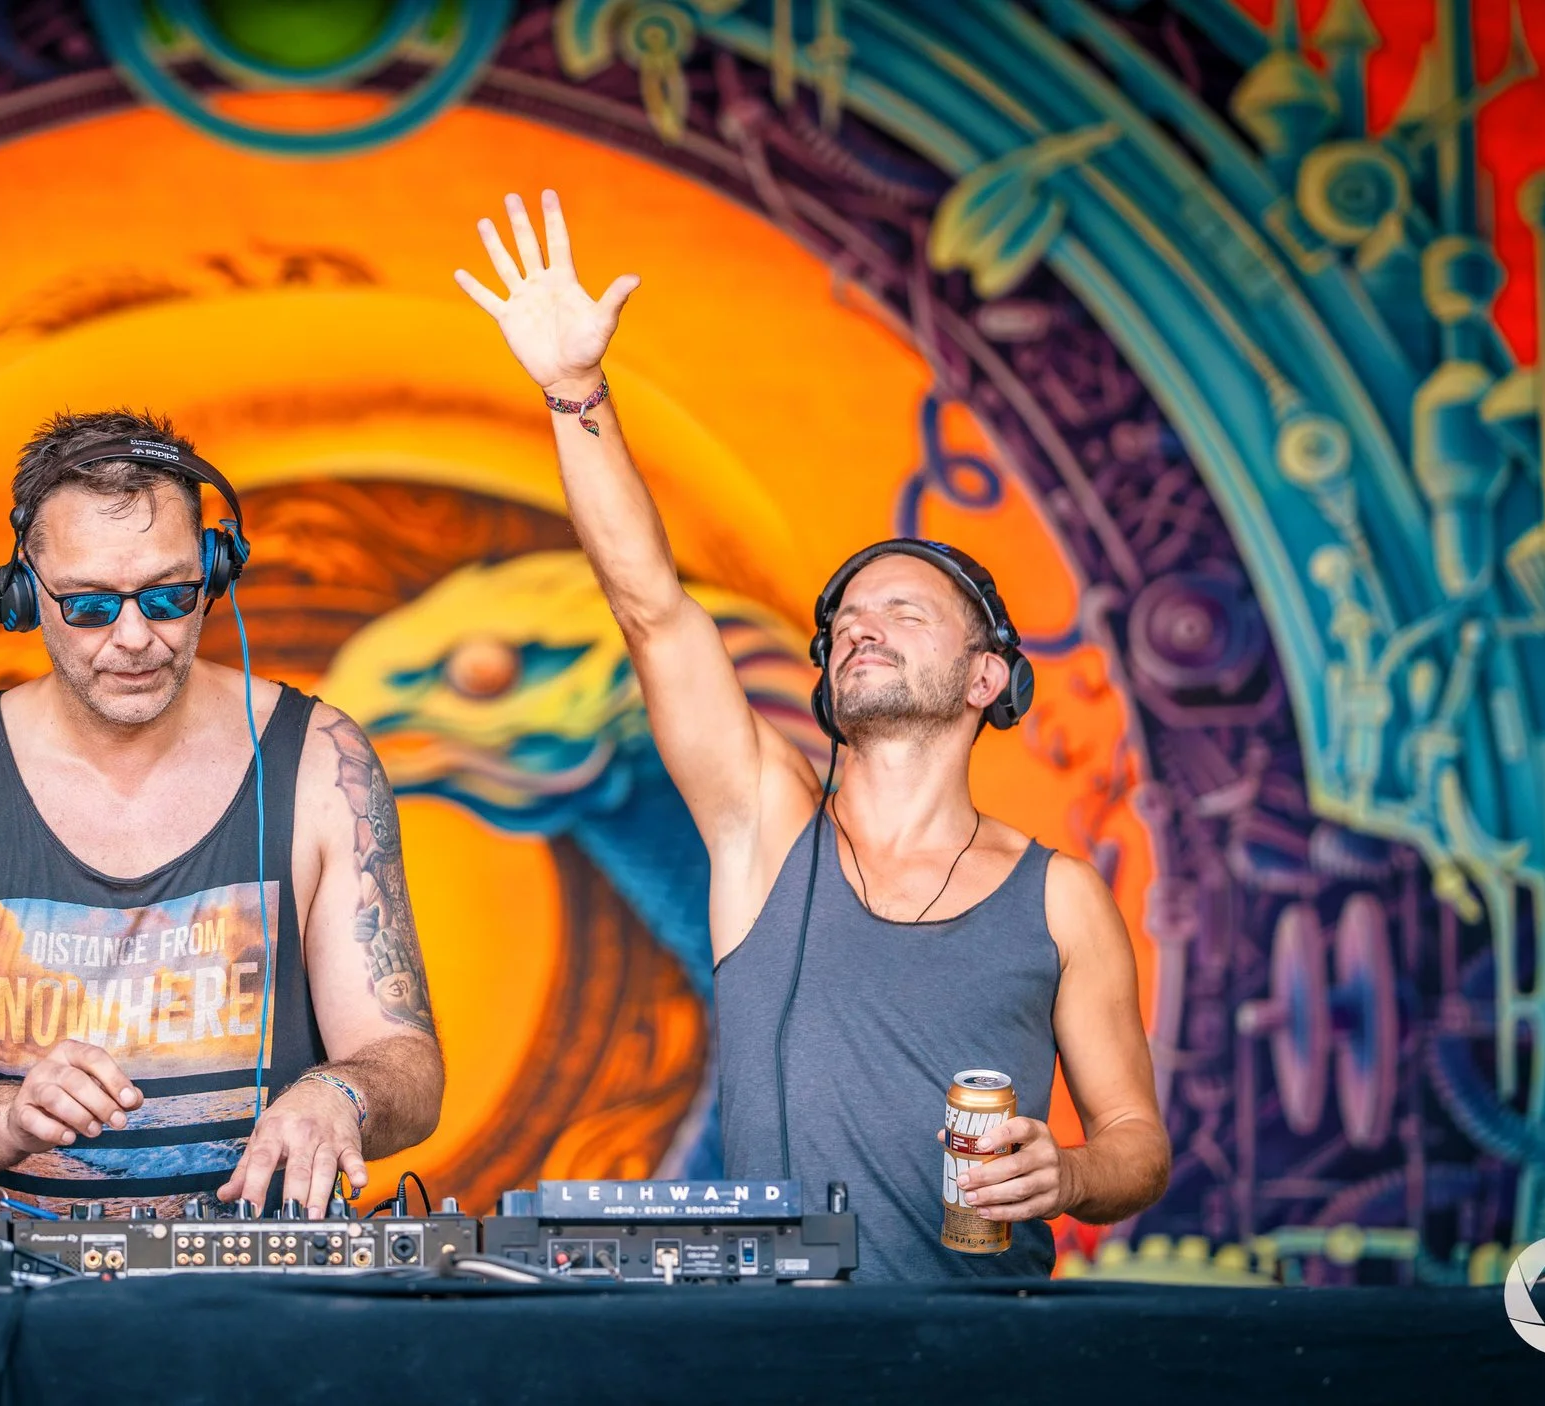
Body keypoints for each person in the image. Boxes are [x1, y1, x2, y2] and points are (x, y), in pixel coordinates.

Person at [455, 190, 1169, 1277]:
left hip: (987, 1345)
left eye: (906, 612)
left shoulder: (1061, 896)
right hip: (779, 1344)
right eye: (847, 620)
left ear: (987, 678)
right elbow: (651, 608)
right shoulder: (769, 824)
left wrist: (1066, 1176)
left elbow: (1136, 1146)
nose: (862, 628)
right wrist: (573, 390)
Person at [0, 409, 444, 1218]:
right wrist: (8, 1116)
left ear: (214, 574)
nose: (134, 637)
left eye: (168, 596)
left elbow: (406, 1062)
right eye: (89, 605)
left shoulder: (323, 760)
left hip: (276, 1284)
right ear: (24, 593)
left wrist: (343, 1093)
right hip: (24, 1288)